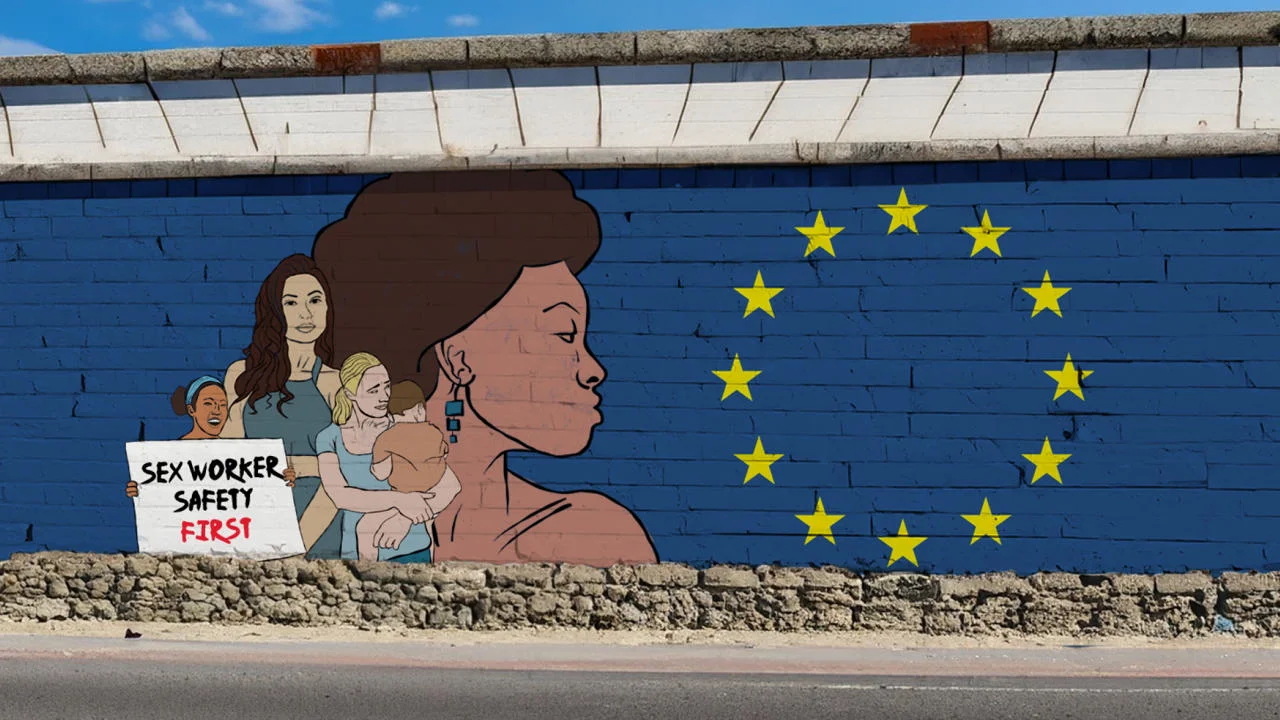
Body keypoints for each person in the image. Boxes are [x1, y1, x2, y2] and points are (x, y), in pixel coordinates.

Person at [311, 170, 657, 566]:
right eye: (564, 334)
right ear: (458, 359)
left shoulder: (590, 536)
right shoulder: (352, 501)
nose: (593, 369)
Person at [219, 254, 341, 558]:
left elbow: (346, 475)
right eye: (291, 303)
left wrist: (295, 547)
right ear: (275, 310)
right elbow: (222, 463)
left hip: (318, 537)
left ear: (328, 308)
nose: (306, 314)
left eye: (315, 300)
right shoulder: (241, 376)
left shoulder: (337, 384)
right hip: (253, 533)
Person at [316, 353, 444, 562]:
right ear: (350, 394)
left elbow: (445, 483)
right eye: (373, 390)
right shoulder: (330, 437)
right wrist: (400, 501)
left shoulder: (402, 427)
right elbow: (339, 495)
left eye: (386, 387)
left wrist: (403, 519)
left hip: (413, 548)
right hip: (359, 554)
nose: (384, 397)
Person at [125, 376, 294, 497]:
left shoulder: (237, 456)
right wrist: (140, 491)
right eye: (208, 403)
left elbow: (254, 492)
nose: (217, 411)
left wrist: (281, 480)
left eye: (222, 405)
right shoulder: (171, 457)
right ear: (191, 409)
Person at [356, 381, 461, 560]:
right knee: (429, 529)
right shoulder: (434, 433)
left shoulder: (386, 438)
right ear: (419, 410)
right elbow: (443, 454)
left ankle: (367, 563)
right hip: (431, 492)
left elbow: (381, 473)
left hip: (404, 495)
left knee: (365, 527)